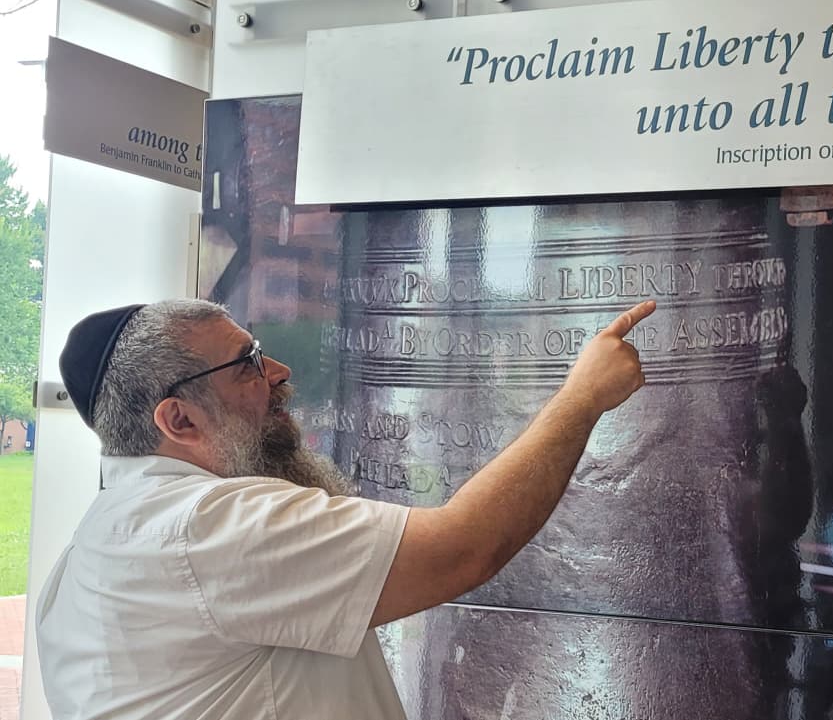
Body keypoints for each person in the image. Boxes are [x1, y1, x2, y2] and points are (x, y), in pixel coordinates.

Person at [35, 296, 656, 720]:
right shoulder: (204, 527)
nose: (278, 372)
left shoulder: (96, 547)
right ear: (180, 420)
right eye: (247, 364)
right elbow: (464, 548)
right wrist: (582, 399)